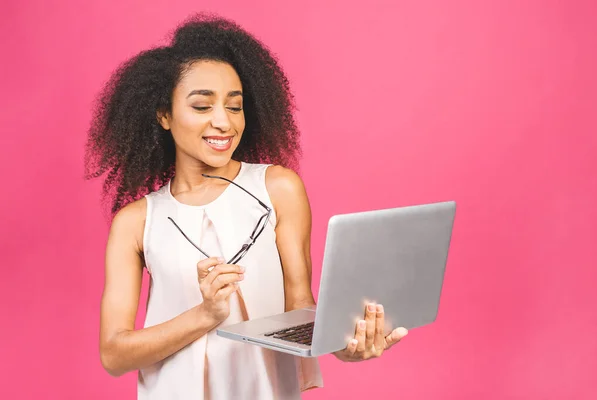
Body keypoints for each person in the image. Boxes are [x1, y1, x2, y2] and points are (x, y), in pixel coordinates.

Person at [84, 13, 408, 400]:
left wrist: (346, 346)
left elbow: (300, 307)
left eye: (234, 107)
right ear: (164, 115)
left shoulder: (278, 188)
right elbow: (114, 353)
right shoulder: (137, 221)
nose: (223, 122)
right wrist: (204, 316)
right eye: (202, 107)